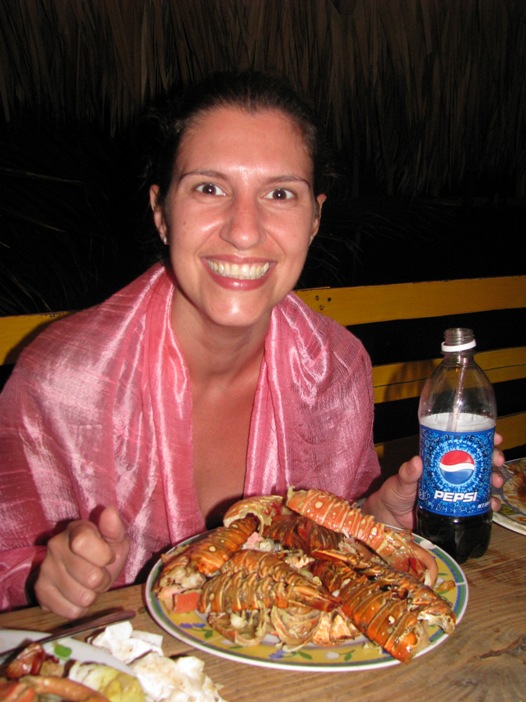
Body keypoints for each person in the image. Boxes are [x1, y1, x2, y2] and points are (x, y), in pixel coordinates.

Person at [0, 71, 504, 619]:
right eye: (209, 188)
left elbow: (323, 540)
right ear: (162, 212)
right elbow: (11, 560)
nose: (244, 230)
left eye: (280, 194)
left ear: (315, 219)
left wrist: (377, 518)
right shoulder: (61, 382)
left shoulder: (334, 366)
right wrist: (45, 577)